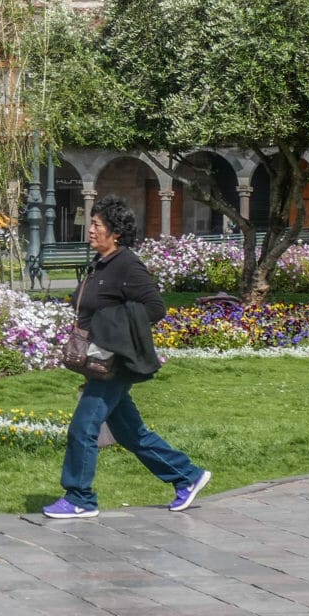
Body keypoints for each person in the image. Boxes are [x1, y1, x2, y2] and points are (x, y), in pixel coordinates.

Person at [45, 195, 210, 520]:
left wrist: (110, 328)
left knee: (83, 427)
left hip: (114, 364)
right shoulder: (100, 263)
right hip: (97, 360)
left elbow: (155, 308)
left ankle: (80, 497)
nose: (91, 230)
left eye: (97, 225)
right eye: (91, 224)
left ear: (116, 232)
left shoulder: (127, 265)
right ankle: (187, 476)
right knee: (130, 432)